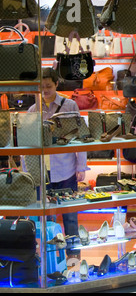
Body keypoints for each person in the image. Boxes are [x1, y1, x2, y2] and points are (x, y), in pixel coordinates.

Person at [28, 67, 90, 264]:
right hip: (42, 173)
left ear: (56, 84)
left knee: (70, 217)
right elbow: (28, 143)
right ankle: (51, 260)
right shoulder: (33, 110)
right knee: (46, 219)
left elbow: (80, 138)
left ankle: (74, 259)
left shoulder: (69, 105)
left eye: (48, 86)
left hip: (65, 170)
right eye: (42, 86)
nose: (45, 90)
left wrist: (81, 166)